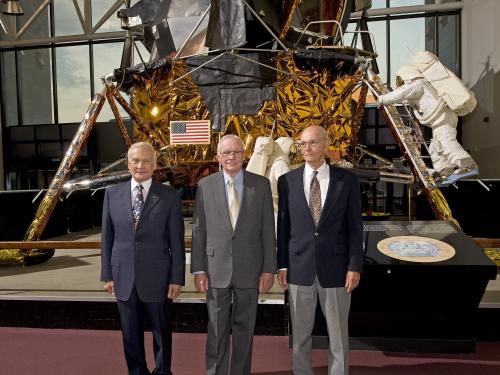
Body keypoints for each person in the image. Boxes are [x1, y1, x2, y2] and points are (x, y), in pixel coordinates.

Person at [277, 125, 363, 375]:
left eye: (312, 143)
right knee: (300, 336)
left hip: (336, 270)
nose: (306, 148)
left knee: (338, 336)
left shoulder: (347, 181)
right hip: (298, 268)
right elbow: (284, 227)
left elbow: (355, 228)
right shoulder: (287, 182)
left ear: (326, 145)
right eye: (302, 144)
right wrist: (282, 264)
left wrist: (354, 265)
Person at [191, 134, 276, 375]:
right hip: (215, 269)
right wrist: (199, 269)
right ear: (218, 157)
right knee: (216, 330)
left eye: (236, 152)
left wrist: (268, 268)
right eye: (226, 153)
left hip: (250, 269)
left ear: (244, 155)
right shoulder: (205, 186)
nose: (231, 157)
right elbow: (199, 230)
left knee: (244, 330)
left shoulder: (260, 185)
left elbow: (268, 230)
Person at [101, 141, 185, 375]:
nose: (140, 165)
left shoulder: (168, 196)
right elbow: (107, 238)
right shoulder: (112, 194)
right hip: (123, 277)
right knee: (130, 335)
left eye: (146, 161)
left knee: (162, 333)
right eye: (135, 160)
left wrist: (176, 278)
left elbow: (176, 241)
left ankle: (162, 372)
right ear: (128, 163)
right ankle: (137, 371)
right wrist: (107, 274)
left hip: (158, 278)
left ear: (155, 164)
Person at [377, 65, 478, 180]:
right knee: (435, 147)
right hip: (441, 118)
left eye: (401, 81)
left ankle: (468, 165)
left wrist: (382, 99)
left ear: (407, 76)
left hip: (441, 118)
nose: (401, 84)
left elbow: (401, 93)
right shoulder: (423, 84)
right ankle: (445, 171)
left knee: (447, 142)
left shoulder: (417, 84)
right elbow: (405, 95)